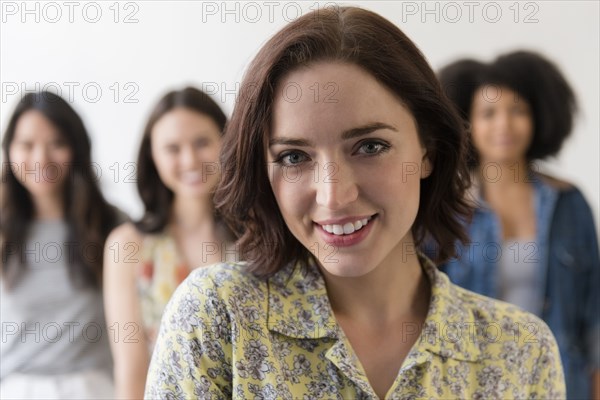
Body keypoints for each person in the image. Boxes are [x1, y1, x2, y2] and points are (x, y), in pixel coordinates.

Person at [145, 8, 565, 399]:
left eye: (370, 146)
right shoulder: (218, 318)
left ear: (427, 150)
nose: (333, 194)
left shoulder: (521, 350)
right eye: (294, 157)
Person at [438, 51, 599, 399]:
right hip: (471, 383)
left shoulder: (569, 203)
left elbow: (594, 306)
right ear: (467, 122)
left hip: (562, 381)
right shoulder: (447, 208)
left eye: (518, 110)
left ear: (539, 117)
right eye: (489, 113)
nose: (504, 125)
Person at [103, 87, 235, 399]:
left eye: (202, 142)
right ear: (153, 157)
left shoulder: (260, 236)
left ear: (227, 143)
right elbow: (131, 372)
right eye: (172, 148)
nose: (190, 159)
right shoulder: (127, 246)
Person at [0, 91, 124, 399]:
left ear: (76, 149)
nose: (41, 159)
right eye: (27, 145)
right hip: (16, 388)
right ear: (9, 150)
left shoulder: (112, 225)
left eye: (57, 143)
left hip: (92, 388)